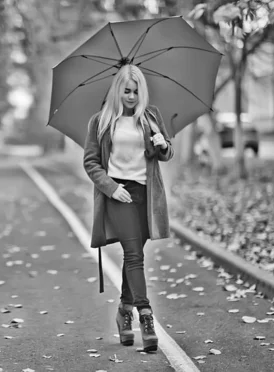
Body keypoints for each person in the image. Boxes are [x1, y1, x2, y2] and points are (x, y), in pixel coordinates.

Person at [83, 64, 174, 353]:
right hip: (118, 194)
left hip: (146, 195)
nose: (132, 96)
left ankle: (124, 310)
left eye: (136, 91)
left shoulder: (150, 117)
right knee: (133, 255)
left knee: (135, 253)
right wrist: (111, 188)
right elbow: (91, 162)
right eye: (127, 91)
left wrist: (161, 144)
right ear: (117, 91)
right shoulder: (101, 121)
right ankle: (145, 316)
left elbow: (166, 153)